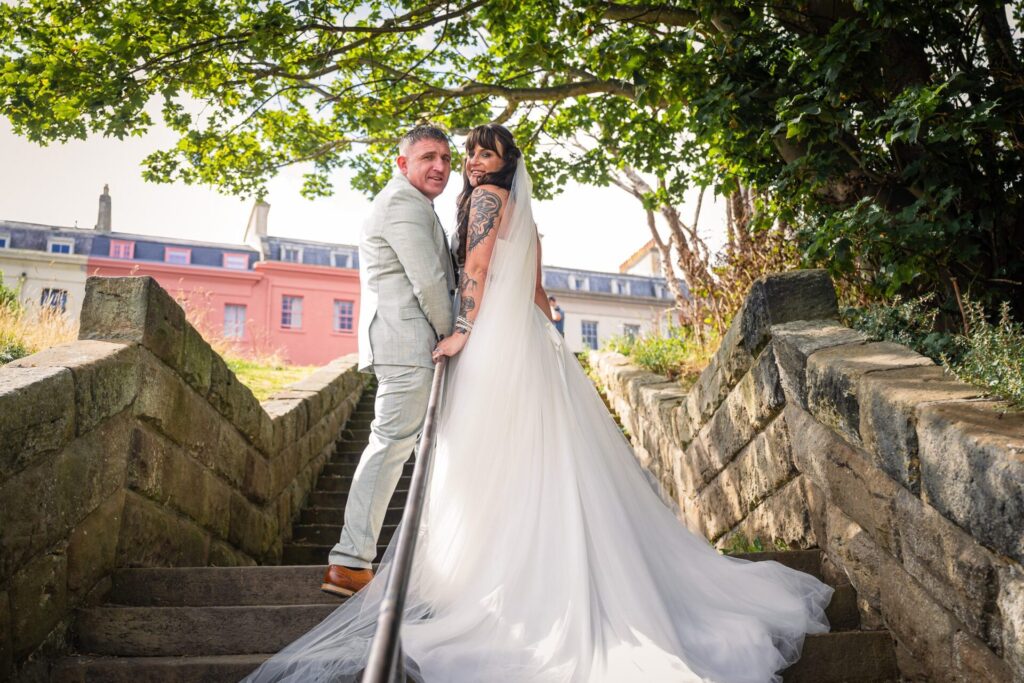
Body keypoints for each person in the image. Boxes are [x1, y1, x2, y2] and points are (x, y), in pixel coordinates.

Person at [245, 125, 832, 683]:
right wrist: (546, 325)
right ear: (406, 162)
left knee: (477, 451)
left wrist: (463, 331)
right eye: (457, 155)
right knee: (513, 452)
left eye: (478, 155)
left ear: (505, 164)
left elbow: (472, 270)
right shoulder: (502, 207)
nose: (464, 164)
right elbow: (529, 282)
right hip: (510, 335)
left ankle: (452, 572)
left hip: (488, 338)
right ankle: (394, 561)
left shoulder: (481, 204)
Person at [320, 124, 456, 598]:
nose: (440, 166)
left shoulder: (415, 203)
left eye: (445, 157)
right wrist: (456, 333)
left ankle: (432, 558)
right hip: (407, 346)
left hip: (410, 345)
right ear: (403, 164)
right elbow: (430, 282)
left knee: (414, 449)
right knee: (391, 444)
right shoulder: (401, 203)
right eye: (428, 158)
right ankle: (350, 562)